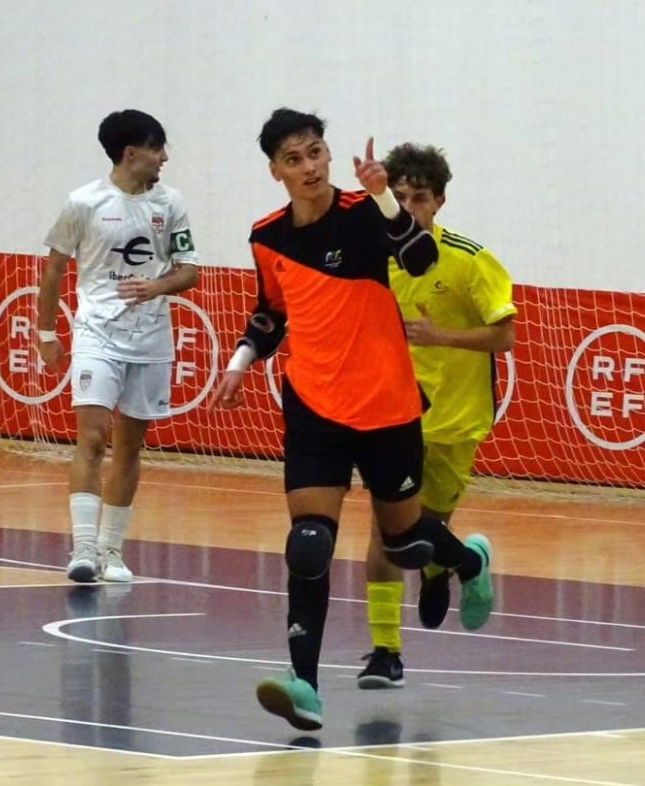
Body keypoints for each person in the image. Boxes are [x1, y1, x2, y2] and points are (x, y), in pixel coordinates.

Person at [210, 108, 495, 731]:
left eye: (316, 152)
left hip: (386, 403)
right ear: (275, 171)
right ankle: (304, 684)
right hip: (313, 404)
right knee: (309, 544)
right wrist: (240, 360)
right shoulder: (266, 236)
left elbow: (419, 258)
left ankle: (469, 562)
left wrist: (386, 197)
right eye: (295, 158)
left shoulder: (365, 213)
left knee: (407, 541)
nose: (310, 166)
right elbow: (270, 312)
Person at [357, 143, 516, 689]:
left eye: (419, 198)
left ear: (439, 202)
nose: (408, 206)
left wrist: (441, 335)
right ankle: (385, 651)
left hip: (456, 416)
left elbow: (506, 335)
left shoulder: (470, 260)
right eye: (399, 196)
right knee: (384, 529)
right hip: (389, 412)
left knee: (427, 530)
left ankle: (453, 561)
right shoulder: (371, 255)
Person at [37, 109, 200, 584]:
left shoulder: (171, 205)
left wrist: (157, 287)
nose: (164, 158)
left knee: (130, 446)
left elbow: (189, 270)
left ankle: (111, 551)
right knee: (91, 437)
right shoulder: (83, 203)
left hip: (150, 339)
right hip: (96, 335)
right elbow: (54, 271)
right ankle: (83, 549)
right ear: (132, 153)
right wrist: (47, 334)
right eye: (158, 148)